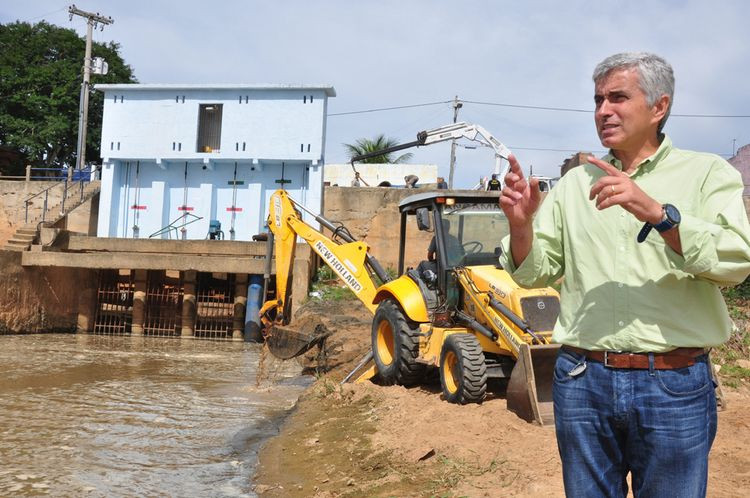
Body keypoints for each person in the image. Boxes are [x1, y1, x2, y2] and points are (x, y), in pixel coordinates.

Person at [499, 52, 750, 498]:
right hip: (582, 380)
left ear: (659, 107)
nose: (603, 111)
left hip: (672, 383)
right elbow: (535, 271)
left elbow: (736, 261)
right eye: (597, 100)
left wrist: (659, 215)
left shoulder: (708, 173)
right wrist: (521, 226)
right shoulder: (575, 185)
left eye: (618, 97)